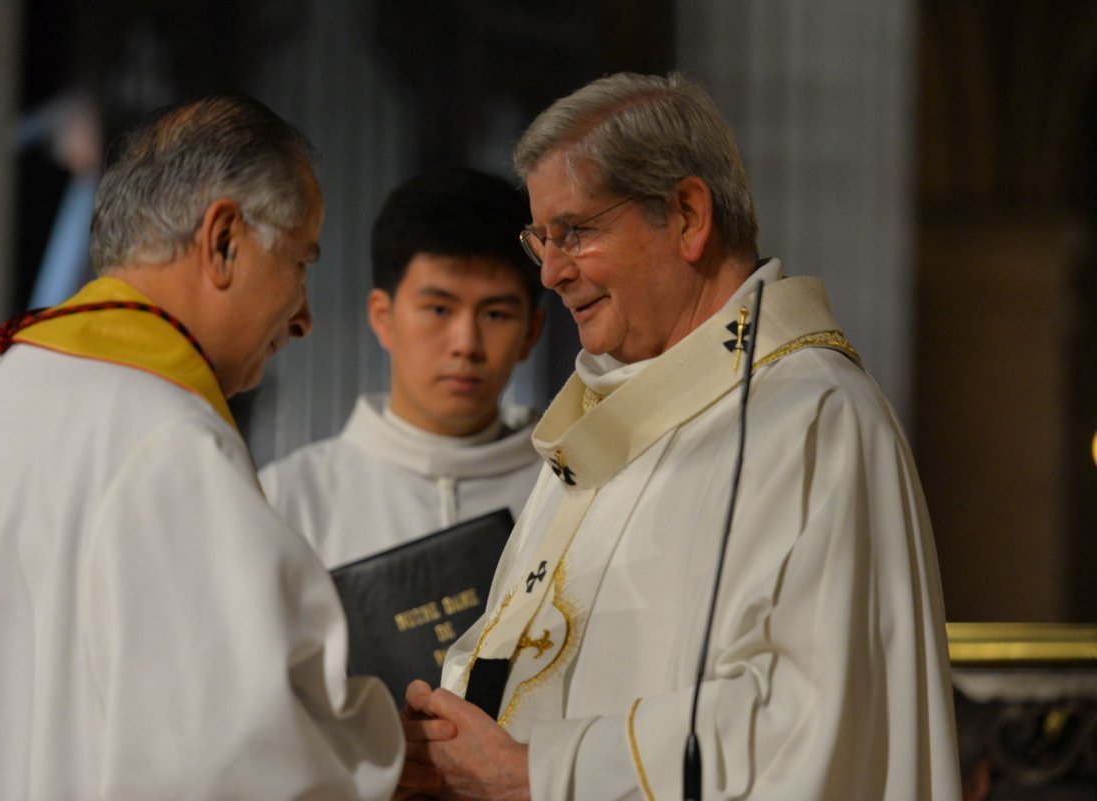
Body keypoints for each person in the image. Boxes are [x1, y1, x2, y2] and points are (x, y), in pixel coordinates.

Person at [399, 73, 962, 800]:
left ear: (688, 216)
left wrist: (541, 772)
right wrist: (449, 751)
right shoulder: (614, 418)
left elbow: (809, 717)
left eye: (574, 232)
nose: (551, 271)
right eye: (541, 237)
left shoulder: (811, 419)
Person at [0, 95, 402, 800]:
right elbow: (249, 764)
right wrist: (395, 753)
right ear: (224, 239)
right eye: (301, 262)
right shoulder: (167, 439)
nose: (306, 316)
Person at [260, 167, 544, 569]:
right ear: (382, 317)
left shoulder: (568, 493)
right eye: (439, 309)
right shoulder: (288, 499)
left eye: (496, 314)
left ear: (531, 332)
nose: (466, 344)